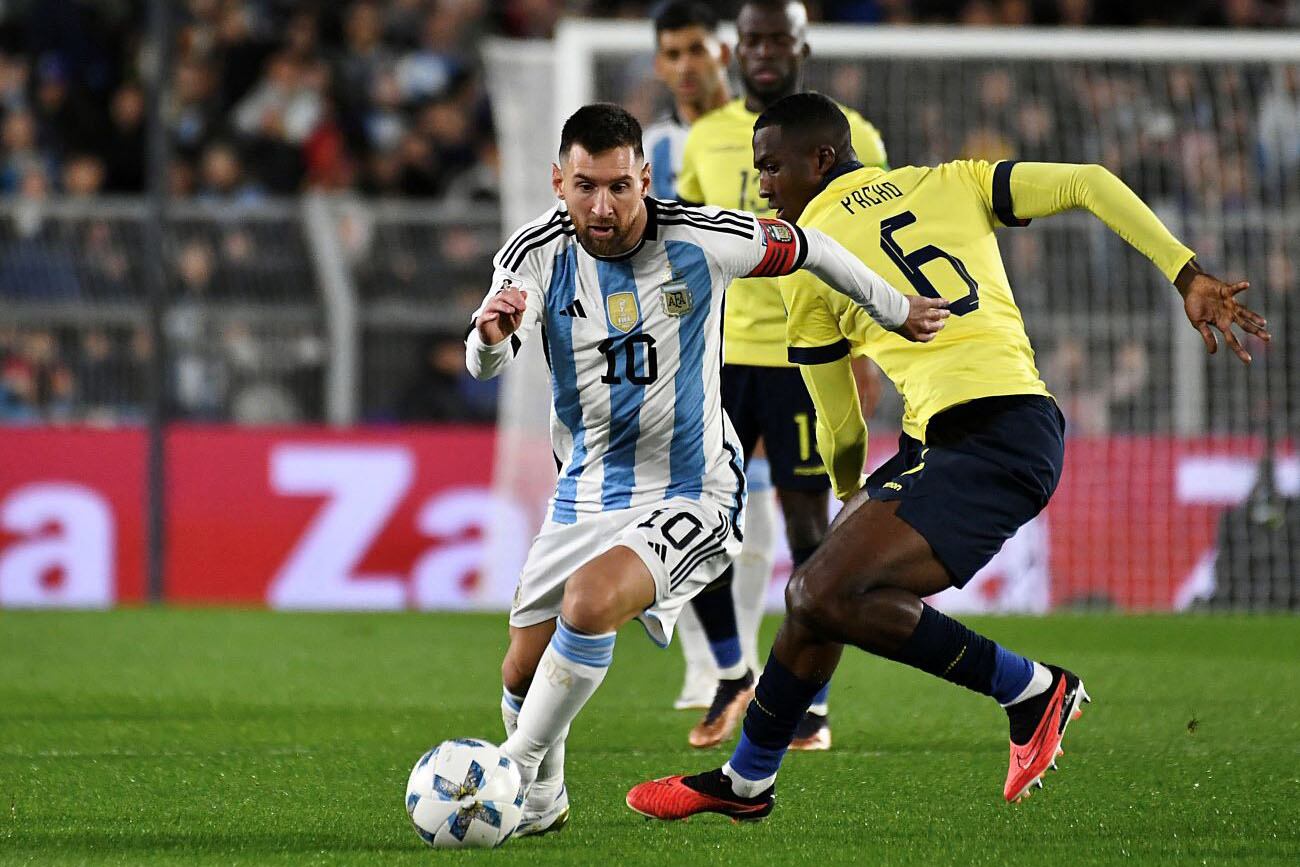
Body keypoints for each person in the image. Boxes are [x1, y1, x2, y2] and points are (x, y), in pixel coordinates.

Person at [626, 92, 1270, 819]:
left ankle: (1030, 688)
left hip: (989, 440)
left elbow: (838, 417)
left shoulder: (810, 261)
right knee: (815, 599)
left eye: (772, 166)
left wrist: (847, 486)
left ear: (823, 159)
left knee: (818, 591)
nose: (763, 184)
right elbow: (1089, 180)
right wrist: (1186, 273)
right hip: (991, 428)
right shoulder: (952, 180)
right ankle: (746, 781)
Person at [468, 102, 947, 838]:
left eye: (620, 186)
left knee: (592, 602)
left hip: (694, 484)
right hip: (586, 485)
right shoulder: (532, 251)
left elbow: (811, 246)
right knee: (520, 672)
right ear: (558, 181)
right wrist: (490, 339)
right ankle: (541, 800)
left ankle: (510, 767)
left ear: (646, 178)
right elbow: (490, 348)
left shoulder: (703, 236)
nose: (604, 206)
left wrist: (892, 308)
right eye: (586, 186)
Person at [674, 0, 891, 751]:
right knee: (689, 518)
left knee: (811, 532)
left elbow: (869, 258)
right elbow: (689, 249)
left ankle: (812, 703)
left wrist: (862, 353)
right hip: (721, 358)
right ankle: (733, 672)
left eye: (779, 39)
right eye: (753, 40)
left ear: (803, 45)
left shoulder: (854, 135)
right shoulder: (705, 138)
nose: (764, 52)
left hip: (808, 357)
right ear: (736, 50)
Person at [644, 0, 778, 715]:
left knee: (755, 501)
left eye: (696, 49)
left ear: (722, 54)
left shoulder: (768, 135)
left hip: (769, 345)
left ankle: (742, 658)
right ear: (659, 63)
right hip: (686, 349)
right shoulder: (652, 152)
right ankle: (708, 665)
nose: (685, 66)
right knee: (689, 505)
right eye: (671, 54)